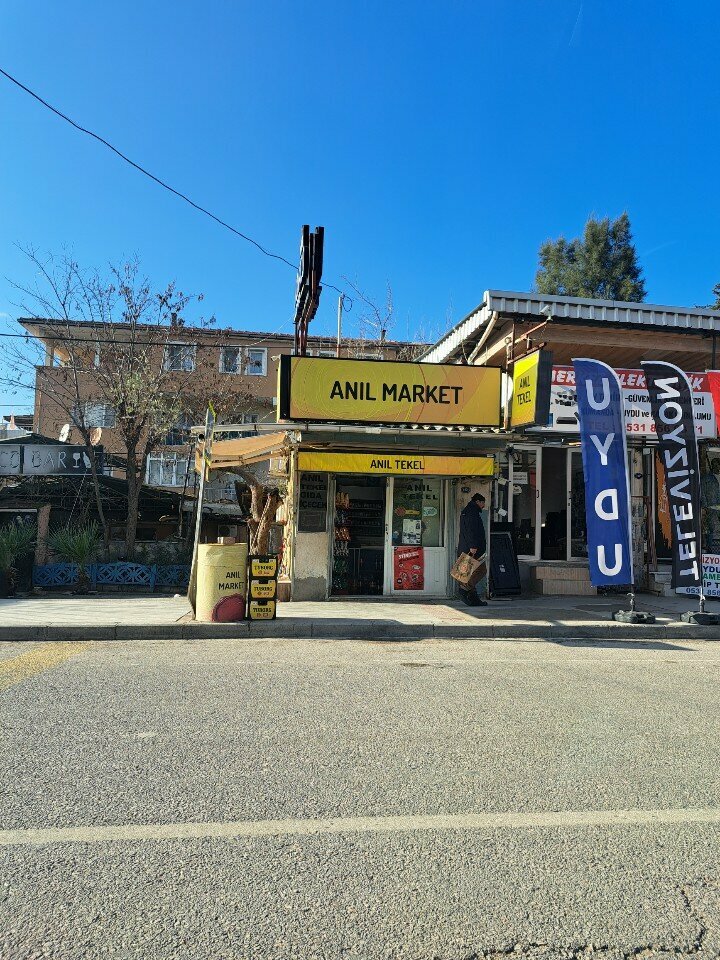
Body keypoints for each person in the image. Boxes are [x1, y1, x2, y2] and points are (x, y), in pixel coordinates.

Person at [457, 492, 487, 606]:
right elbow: (471, 530)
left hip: (466, 547)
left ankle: (474, 598)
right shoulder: (472, 512)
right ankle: (464, 588)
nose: (484, 506)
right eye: (483, 503)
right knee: (481, 570)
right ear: (478, 502)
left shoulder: (467, 511)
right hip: (472, 549)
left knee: (467, 573)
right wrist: (473, 546)